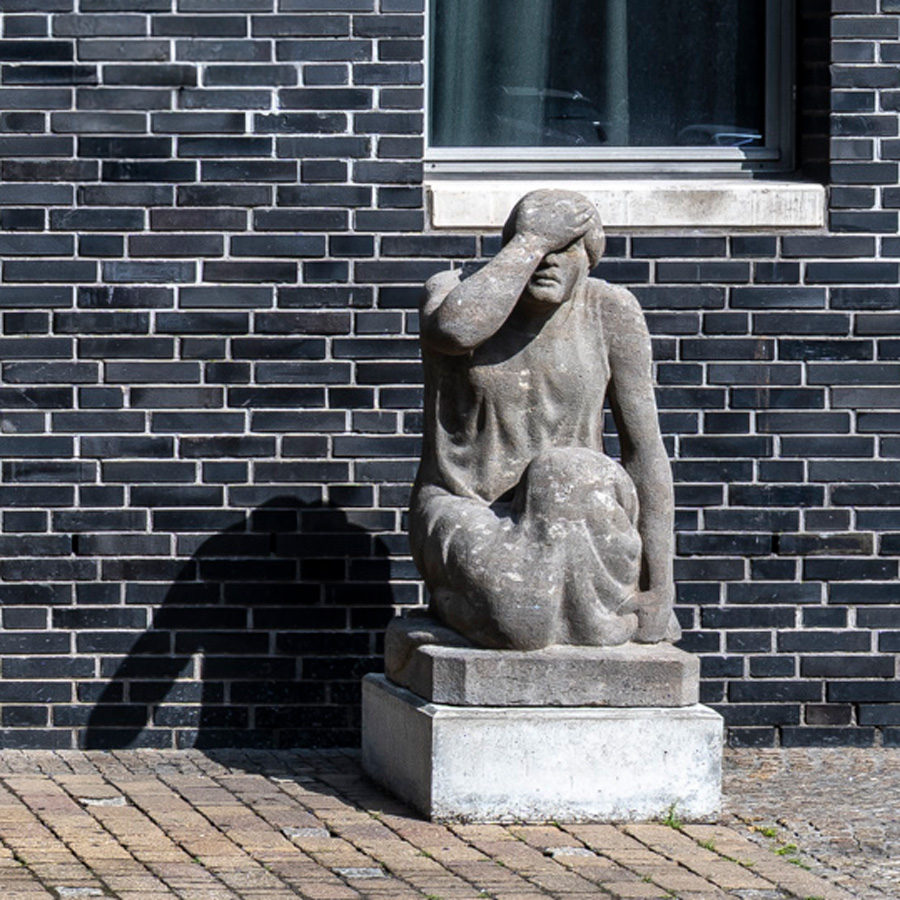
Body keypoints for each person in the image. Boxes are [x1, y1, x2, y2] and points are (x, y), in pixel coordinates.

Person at [409, 189, 679, 650]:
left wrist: (661, 587)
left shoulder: (610, 311)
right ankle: (467, 603)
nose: (547, 259)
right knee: (523, 623)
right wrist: (532, 240)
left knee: (564, 470)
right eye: (535, 244)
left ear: (588, 259)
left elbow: (645, 453)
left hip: (574, 508)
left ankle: (498, 607)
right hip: (469, 506)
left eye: (563, 247)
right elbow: (455, 331)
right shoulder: (451, 292)